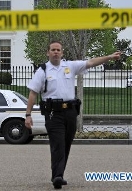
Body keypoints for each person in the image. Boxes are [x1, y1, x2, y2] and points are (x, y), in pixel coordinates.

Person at [25, 40, 120, 189]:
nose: (56, 52)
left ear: (62, 53)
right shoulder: (42, 70)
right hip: (53, 113)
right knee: (58, 144)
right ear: (48, 52)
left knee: (66, 144)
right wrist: (28, 114)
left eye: (58, 50)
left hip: (70, 112)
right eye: (53, 50)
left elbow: (91, 62)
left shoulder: (70, 66)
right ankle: (57, 176)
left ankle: (58, 173)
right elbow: (33, 93)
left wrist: (109, 57)